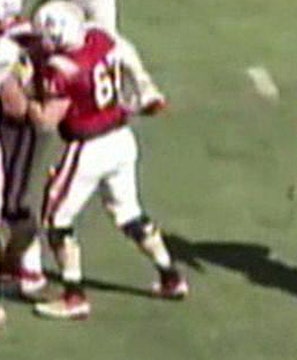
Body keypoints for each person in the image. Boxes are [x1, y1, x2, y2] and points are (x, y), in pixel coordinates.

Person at [26, 1, 187, 320]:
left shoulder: (63, 69)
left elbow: (46, 120)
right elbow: (121, 53)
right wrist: (144, 90)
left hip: (88, 148)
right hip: (121, 140)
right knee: (129, 214)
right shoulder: (100, 38)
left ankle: (74, 296)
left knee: (55, 219)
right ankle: (171, 276)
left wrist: (26, 97)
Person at [0, 0, 49, 299]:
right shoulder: (31, 33)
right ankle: (23, 264)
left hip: (16, 128)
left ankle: (26, 264)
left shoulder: (9, 48)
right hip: (24, 125)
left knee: (13, 204)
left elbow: (15, 107)